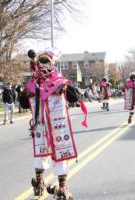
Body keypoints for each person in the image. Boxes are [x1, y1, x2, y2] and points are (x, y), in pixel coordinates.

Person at [20, 49, 87, 200]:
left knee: (41, 152)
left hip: (40, 126)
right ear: (53, 64)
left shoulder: (30, 86)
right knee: (60, 154)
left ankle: (39, 182)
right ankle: (62, 187)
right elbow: (75, 97)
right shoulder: (60, 83)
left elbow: (23, 104)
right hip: (58, 127)